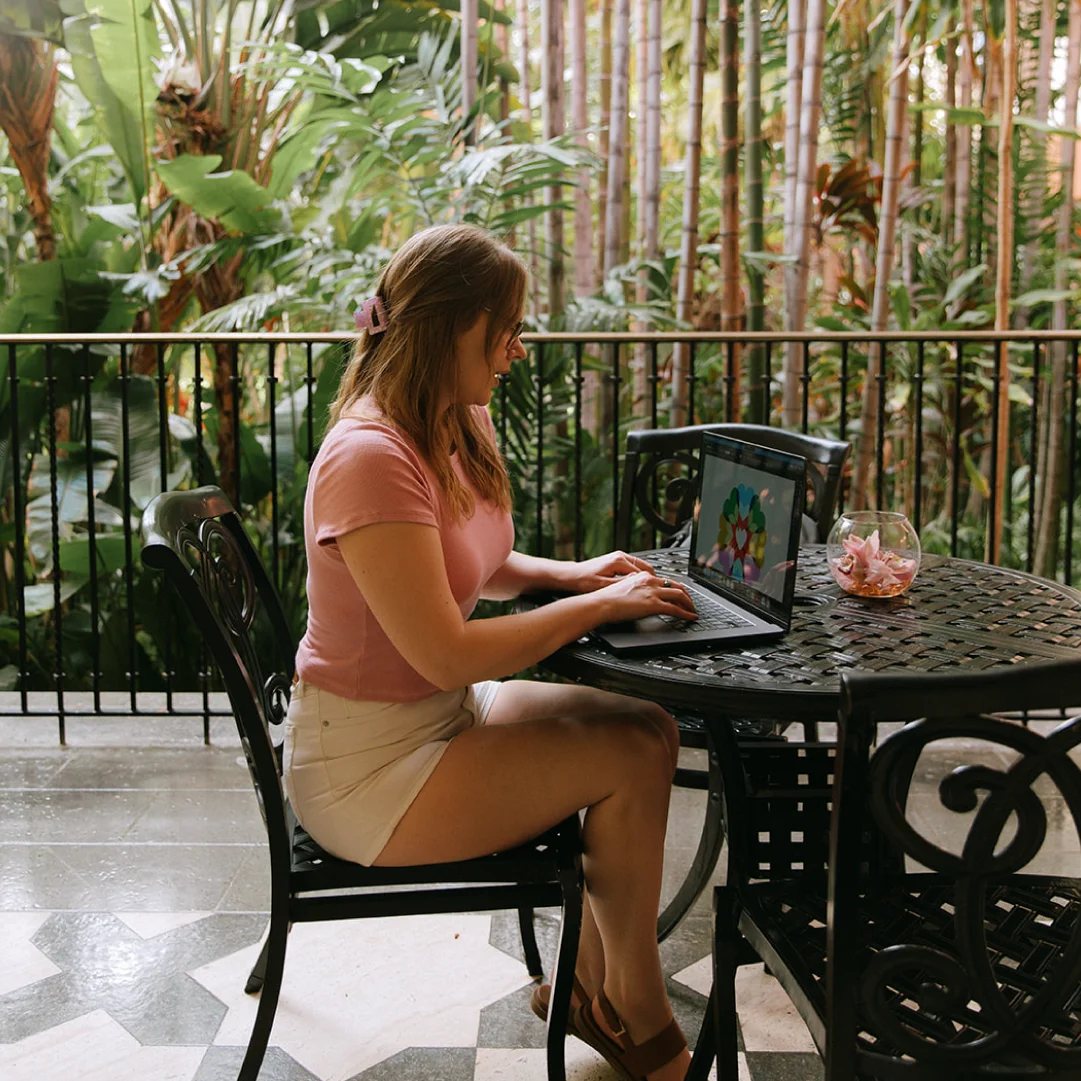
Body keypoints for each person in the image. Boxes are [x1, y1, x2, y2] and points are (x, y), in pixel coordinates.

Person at [284, 223, 699, 1081]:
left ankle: (592, 986)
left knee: (649, 728)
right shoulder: (369, 457)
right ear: (449, 328)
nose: (516, 349)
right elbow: (443, 650)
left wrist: (575, 573)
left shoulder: (447, 419)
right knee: (623, 754)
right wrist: (593, 608)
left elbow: (480, 564)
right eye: (502, 329)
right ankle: (638, 1013)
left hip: (436, 718)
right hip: (368, 769)